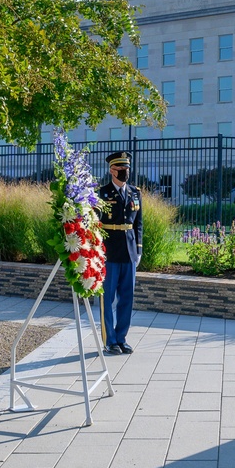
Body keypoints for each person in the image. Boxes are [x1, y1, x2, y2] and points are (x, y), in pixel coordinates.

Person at [98, 151, 142, 355]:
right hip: (109, 252)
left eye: (127, 169)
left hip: (129, 251)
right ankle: (110, 341)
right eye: (121, 169)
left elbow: (138, 224)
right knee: (107, 298)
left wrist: (139, 250)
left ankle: (122, 338)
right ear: (112, 170)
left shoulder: (135, 193)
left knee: (127, 297)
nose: (125, 173)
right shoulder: (102, 193)